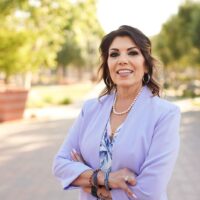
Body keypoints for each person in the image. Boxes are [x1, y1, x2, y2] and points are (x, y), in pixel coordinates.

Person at [52, 25, 181, 200]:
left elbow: (149, 191)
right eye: (114, 54)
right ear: (107, 64)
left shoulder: (166, 114)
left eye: (132, 53)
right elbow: (60, 165)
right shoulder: (89, 109)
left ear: (145, 64)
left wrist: (91, 185)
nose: (122, 60)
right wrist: (106, 179)